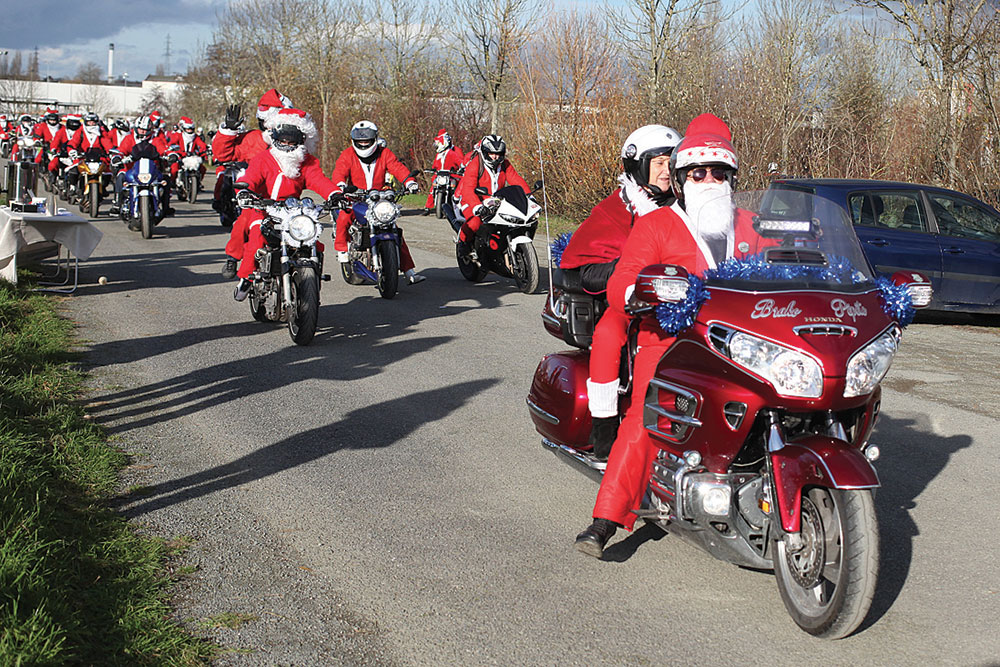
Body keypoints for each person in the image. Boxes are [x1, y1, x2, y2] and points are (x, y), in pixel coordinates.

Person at [574, 113, 772, 558]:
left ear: (732, 178)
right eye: (698, 172)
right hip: (670, 341)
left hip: (744, 344)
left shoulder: (752, 226)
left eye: (719, 172)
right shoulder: (656, 225)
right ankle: (606, 519)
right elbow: (620, 282)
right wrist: (641, 290)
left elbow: (783, 270)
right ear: (681, 180)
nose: (709, 180)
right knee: (649, 416)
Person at [558, 124, 681, 459]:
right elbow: (584, 266)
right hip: (631, 301)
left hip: (682, 300)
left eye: (671, 162)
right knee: (609, 335)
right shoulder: (617, 209)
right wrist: (625, 271)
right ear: (637, 165)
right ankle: (605, 433)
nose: (666, 170)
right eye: (658, 163)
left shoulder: (685, 205)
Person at [232, 108, 339, 301]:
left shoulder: (306, 161)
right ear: (275, 138)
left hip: (293, 210)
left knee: (312, 241)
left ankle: (312, 281)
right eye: (283, 140)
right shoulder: (263, 158)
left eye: (292, 140)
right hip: (263, 208)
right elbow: (251, 177)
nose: (287, 145)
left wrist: (335, 194)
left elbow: (319, 180)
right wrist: (245, 191)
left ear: (301, 140)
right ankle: (247, 278)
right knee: (257, 238)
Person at [330, 120, 425, 285]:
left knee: (394, 230)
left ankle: (409, 270)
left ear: (374, 139)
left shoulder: (385, 153)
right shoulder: (347, 155)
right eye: (360, 141)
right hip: (356, 197)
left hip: (380, 199)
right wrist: (340, 186)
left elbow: (397, 168)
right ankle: (342, 251)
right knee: (344, 217)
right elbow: (339, 172)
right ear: (354, 141)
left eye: (367, 141)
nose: (363, 144)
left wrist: (409, 182)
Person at [213, 88, 294, 279]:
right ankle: (233, 259)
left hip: (287, 200)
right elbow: (222, 154)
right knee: (242, 224)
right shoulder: (253, 139)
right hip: (257, 199)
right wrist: (228, 131)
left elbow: (309, 169)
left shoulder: (296, 141)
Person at [454, 134, 530, 258]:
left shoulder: (505, 164)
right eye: (492, 153)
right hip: (473, 199)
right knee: (474, 222)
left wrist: (528, 196)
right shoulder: (475, 163)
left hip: (496, 201)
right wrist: (476, 206)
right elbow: (468, 188)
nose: (495, 157)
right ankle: (463, 242)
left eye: (499, 153)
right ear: (485, 152)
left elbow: (516, 180)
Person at [422, 129, 465, 215]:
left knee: (458, 188)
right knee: (433, 187)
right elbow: (435, 165)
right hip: (440, 175)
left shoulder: (454, 152)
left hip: (452, 175)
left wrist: (461, 169)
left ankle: (459, 206)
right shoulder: (439, 154)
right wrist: (433, 170)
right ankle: (428, 207)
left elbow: (461, 162)